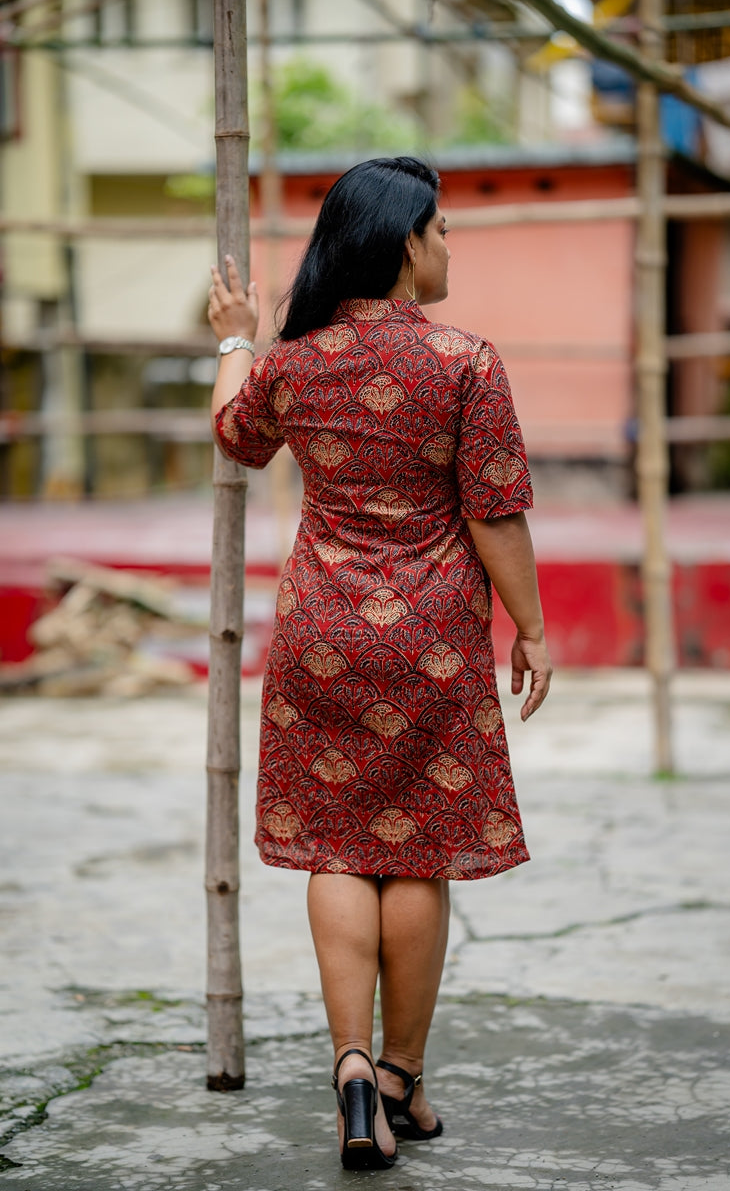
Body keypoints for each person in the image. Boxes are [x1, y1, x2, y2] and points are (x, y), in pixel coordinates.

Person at [207, 156, 552, 1171]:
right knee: (417, 849)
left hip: (320, 633)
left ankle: (350, 1066)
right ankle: (401, 1082)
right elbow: (494, 513)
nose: (449, 247)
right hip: (432, 645)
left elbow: (235, 436)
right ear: (406, 243)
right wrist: (530, 628)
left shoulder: (294, 360)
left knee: (336, 845)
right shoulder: (464, 361)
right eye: (441, 230)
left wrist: (234, 335)